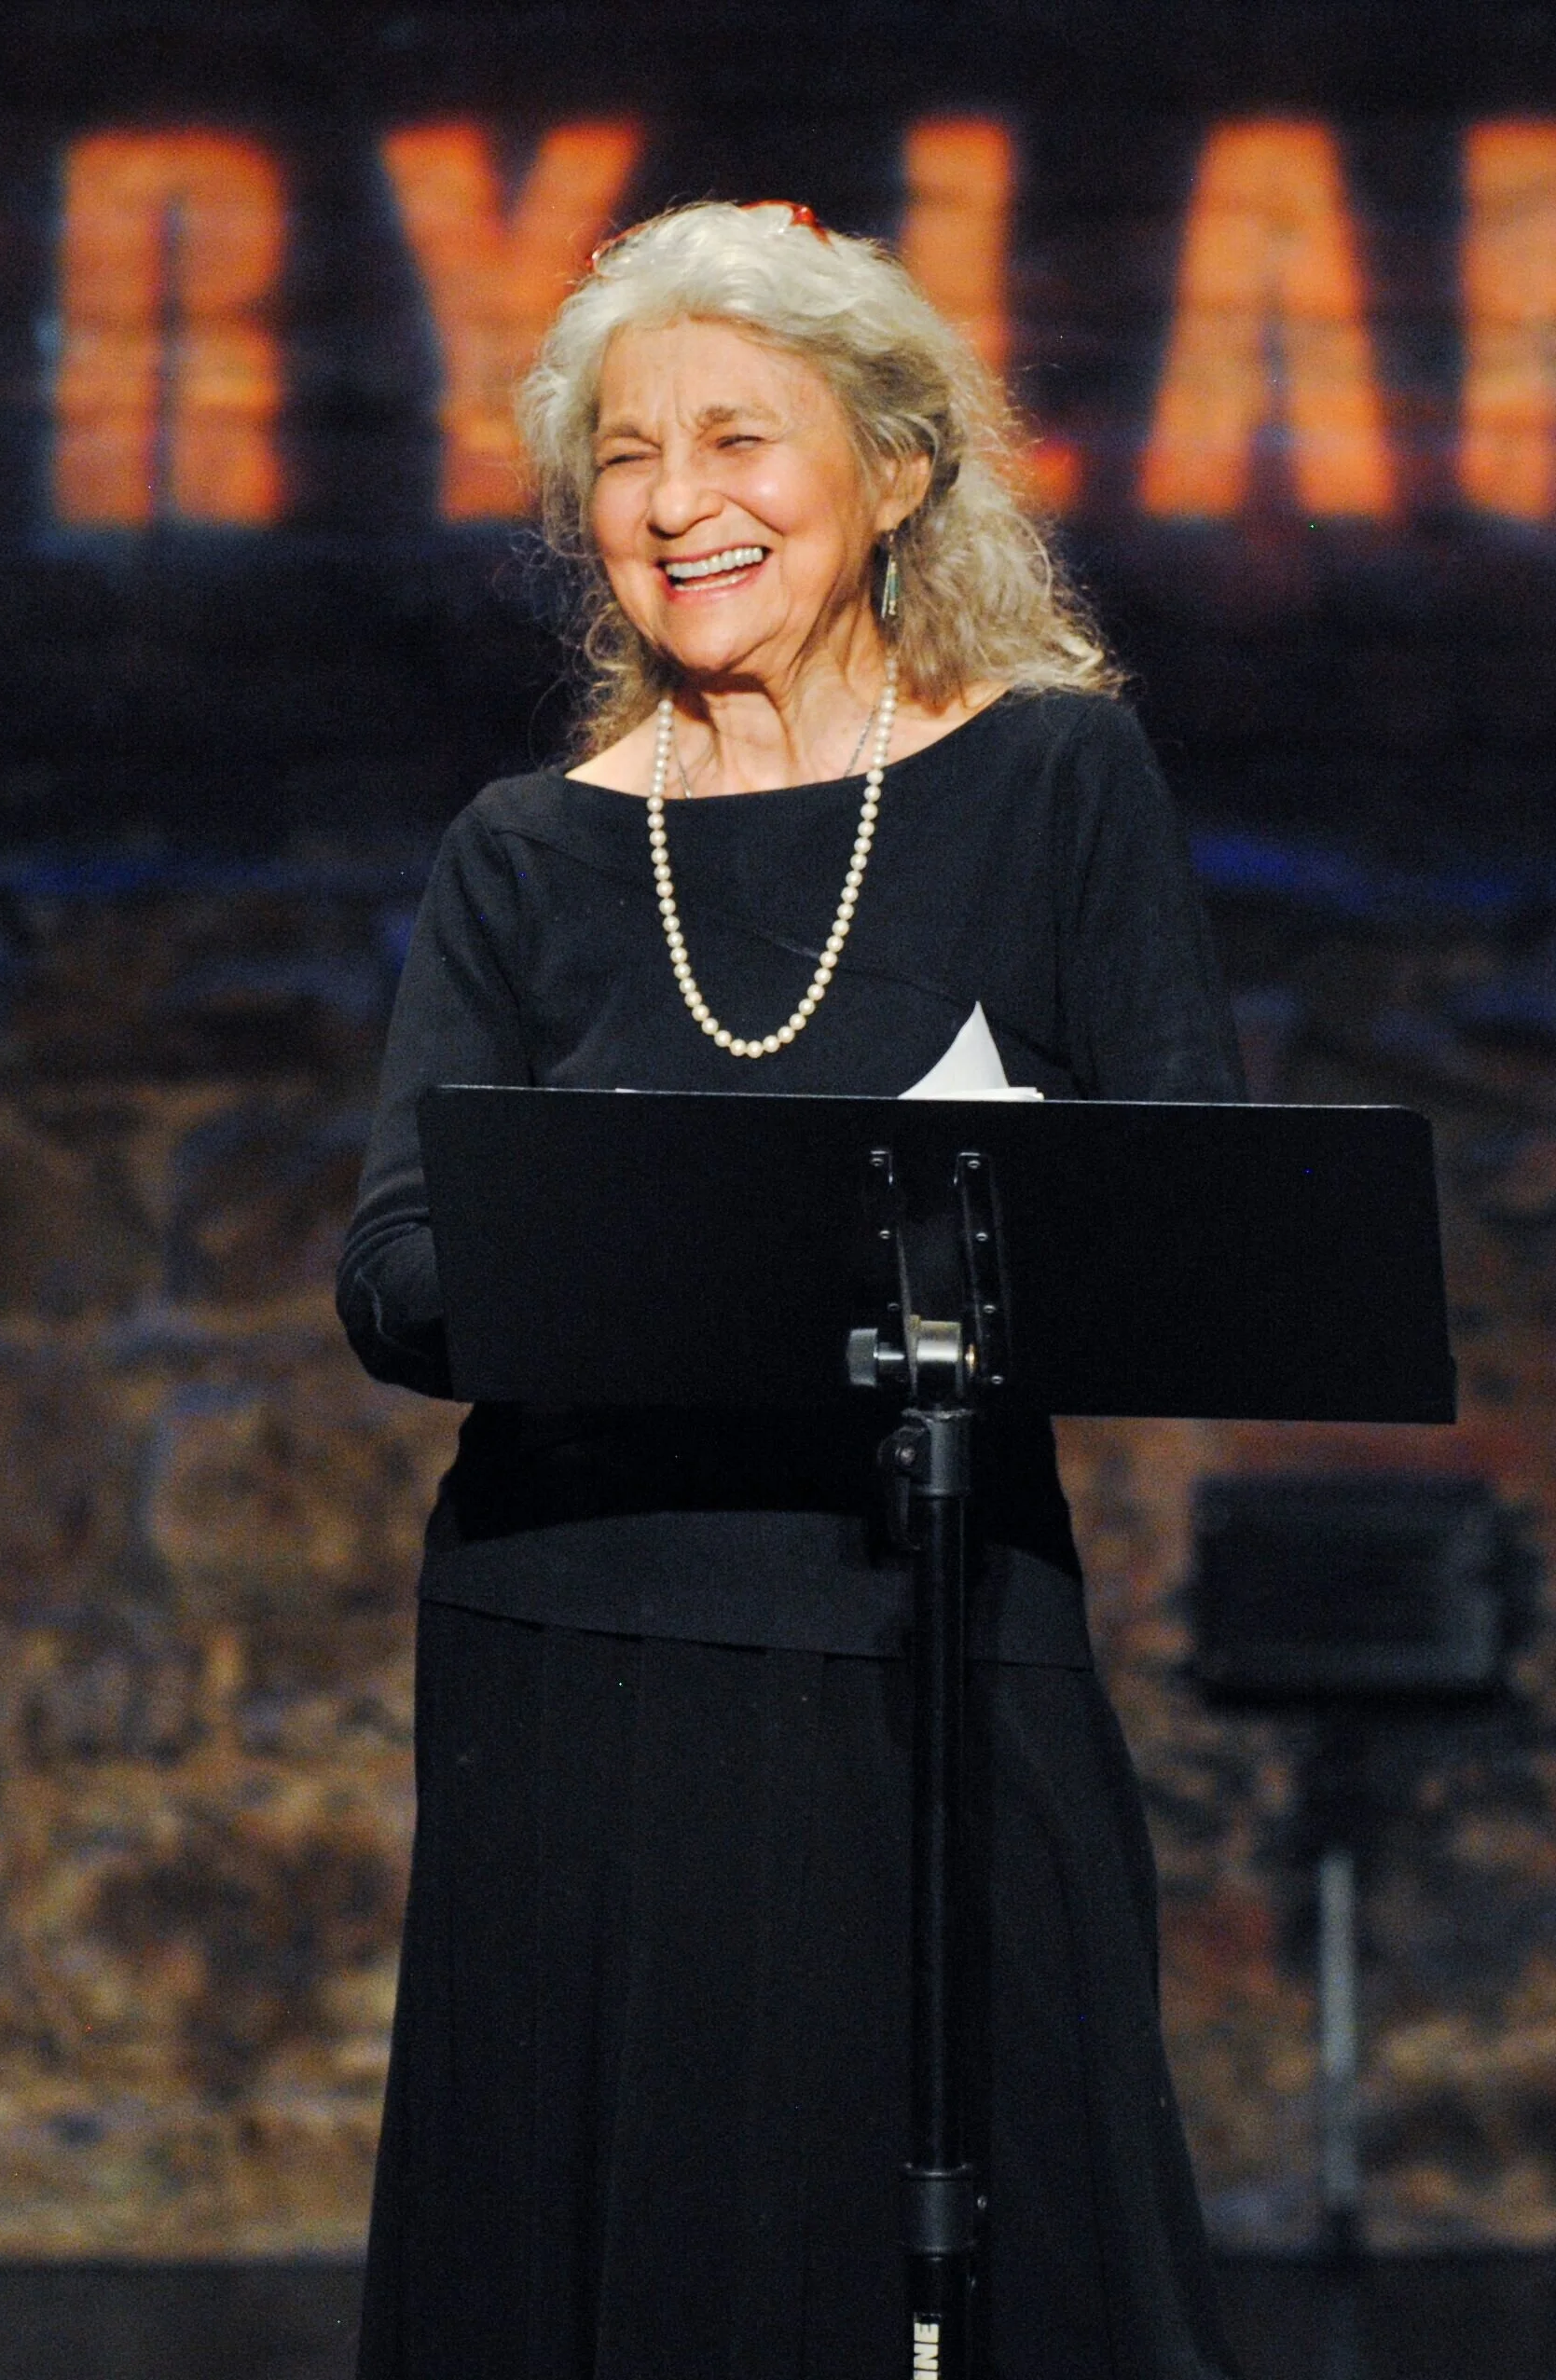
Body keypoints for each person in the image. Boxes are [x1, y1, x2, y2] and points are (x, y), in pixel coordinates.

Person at [338, 199, 1246, 2380]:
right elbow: (398, 1273)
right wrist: (754, 1241)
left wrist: (779, 1243)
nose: (679, 505)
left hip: (927, 1630)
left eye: (738, 439)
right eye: (626, 458)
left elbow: (1193, 1217)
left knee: (985, 2234)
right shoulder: (523, 850)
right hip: (583, 1652)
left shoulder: (1055, 777)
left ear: (898, 471)